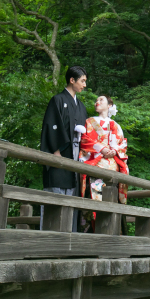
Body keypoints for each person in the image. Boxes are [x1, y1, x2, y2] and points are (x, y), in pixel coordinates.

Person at [39, 65, 88, 231]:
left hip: (75, 158)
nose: (85, 85)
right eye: (82, 81)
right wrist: (56, 151)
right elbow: (51, 125)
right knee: (56, 196)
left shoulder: (81, 107)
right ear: (72, 80)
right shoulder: (58, 100)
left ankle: (68, 241)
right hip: (60, 154)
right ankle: (50, 240)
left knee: (71, 201)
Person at [79, 95, 128, 231]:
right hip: (96, 164)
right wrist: (102, 149)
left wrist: (115, 150)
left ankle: (114, 231)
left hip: (113, 167)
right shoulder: (89, 122)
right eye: (96, 100)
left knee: (112, 200)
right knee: (94, 200)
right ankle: (94, 232)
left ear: (109, 106)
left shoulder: (116, 125)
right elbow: (85, 140)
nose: (97, 102)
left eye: (101, 100)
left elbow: (122, 144)